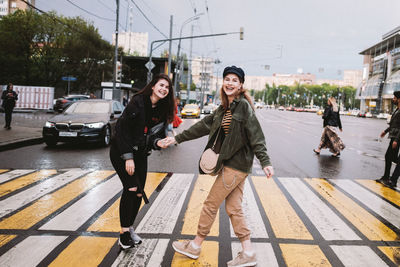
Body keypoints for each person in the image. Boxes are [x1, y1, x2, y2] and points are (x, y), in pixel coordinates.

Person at [163, 66, 274, 267]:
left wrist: (265, 162)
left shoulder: (243, 107)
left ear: (241, 85)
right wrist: (176, 138)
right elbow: (202, 126)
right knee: (233, 208)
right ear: (223, 83)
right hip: (231, 165)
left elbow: (257, 136)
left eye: (234, 80)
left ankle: (195, 246)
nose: (230, 83)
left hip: (236, 166)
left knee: (210, 204)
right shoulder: (224, 108)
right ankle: (248, 252)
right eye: (227, 79)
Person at [109, 73, 175, 249]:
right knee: (130, 188)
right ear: (153, 86)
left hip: (140, 155)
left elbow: (154, 137)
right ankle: (123, 234)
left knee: (139, 192)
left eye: (167, 87)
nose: (164, 89)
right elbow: (122, 131)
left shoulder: (161, 109)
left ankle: (129, 228)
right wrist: (127, 157)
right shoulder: (138, 102)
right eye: (161, 85)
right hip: (121, 151)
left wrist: (159, 142)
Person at [376, 91, 400, 187]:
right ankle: (387, 177)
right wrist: (385, 131)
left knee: (391, 157)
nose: (393, 99)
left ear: (399, 99)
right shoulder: (397, 109)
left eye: (394, 98)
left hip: (397, 137)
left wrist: (396, 140)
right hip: (395, 136)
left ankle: (392, 180)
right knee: (390, 157)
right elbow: (393, 124)